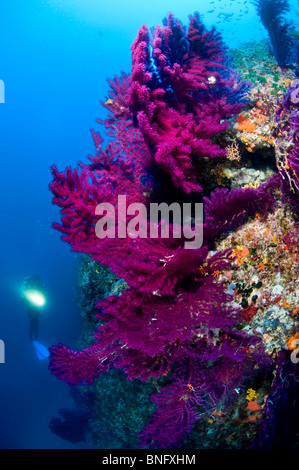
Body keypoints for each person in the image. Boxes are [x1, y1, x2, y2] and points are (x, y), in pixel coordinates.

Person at [21, 275, 46, 342]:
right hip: (32, 307)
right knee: (33, 322)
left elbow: (43, 296)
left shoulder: (39, 286)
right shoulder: (32, 287)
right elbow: (24, 298)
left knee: (35, 322)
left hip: (36, 308)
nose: (37, 282)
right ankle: (32, 337)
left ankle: (35, 337)